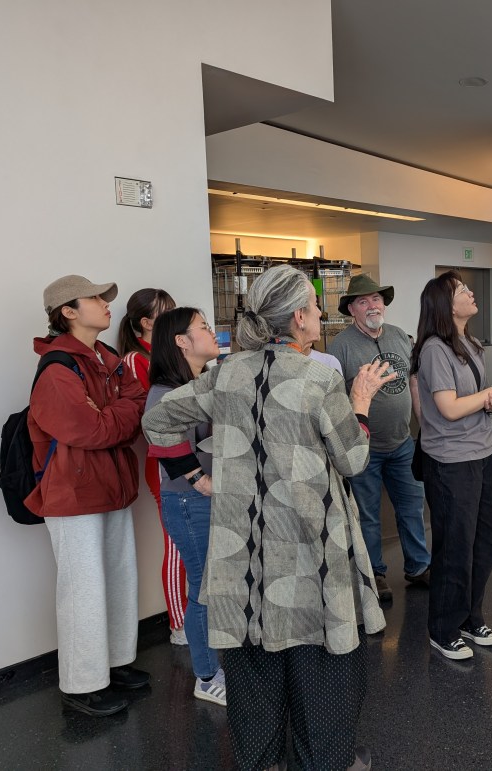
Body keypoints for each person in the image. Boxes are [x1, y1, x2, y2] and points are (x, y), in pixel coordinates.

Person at [142, 265, 391, 771]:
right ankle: (325, 760)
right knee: (319, 662)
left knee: (254, 663)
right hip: (308, 539)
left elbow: (157, 420)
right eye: (315, 306)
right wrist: (361, 403)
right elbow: (353, 459)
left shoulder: (226, 373)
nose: (320, 312)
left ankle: (263, 761)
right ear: (298, 317)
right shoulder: (319, 378)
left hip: (244, 544)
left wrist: (197, 475)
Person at [26, 275, 149, 716]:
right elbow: (90, 430)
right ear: (68, 312)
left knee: (117, 578)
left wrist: (113, 414)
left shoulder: (106, 357)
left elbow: (139, 408)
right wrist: (116, 415)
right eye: (94, 298)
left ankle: (112, 665)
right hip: (73, 493)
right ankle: (81, 685)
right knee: (83, 591)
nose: (105, 303)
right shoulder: (58, 369)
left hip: (110, 486)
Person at [411, 271, 492, 660]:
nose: (471, 293)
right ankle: (443, 629)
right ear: (445, 305)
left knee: (484, 542)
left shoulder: (471, 344)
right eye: (462, 290)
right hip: (450, 462)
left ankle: (469, 617)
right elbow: (448, 408)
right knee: (455, 548)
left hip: (481, 452)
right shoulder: (435, 349)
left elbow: (471, 400)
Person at [328, 274, 431, 603]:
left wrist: (424, 426)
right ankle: (375, 573)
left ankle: (418, 566)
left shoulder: (400, 336)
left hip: (402, 442)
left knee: (412, 507)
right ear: (352, 310)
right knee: (369, 514)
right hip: (364, 447)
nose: (372, 305)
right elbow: (335, 399)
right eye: (363, 301)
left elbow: (413, 382)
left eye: (376, 299)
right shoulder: (340, 347)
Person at [145, 307, 226, 707]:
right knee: (203, 588)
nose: (213, 333)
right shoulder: (165, 392)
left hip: (205, 501)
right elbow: (159, 434)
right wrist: (200, 480)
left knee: (214, 585)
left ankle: (217, 665)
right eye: (204, 327)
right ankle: (206, 677)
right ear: (181, 341)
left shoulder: (201, 382)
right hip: (189, 502)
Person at [117, 287, 187, 645]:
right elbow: (154, 416)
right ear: (146, 322)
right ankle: (179, 624)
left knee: (191, 545)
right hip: (163, 464)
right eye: (165, 312)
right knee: (176, 546)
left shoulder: (167, 356)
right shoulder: (136, 360)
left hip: (186, 459)